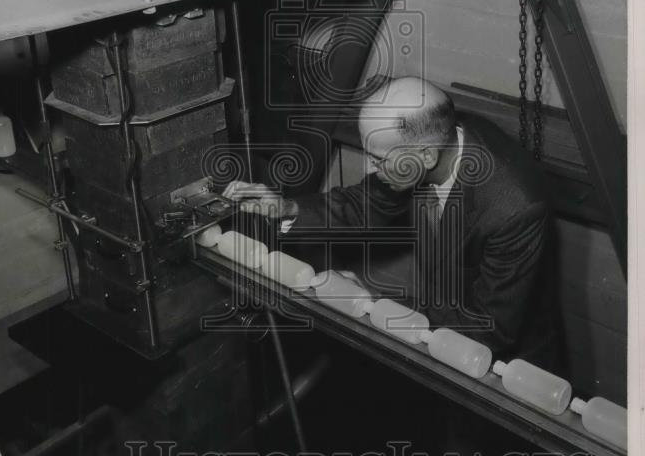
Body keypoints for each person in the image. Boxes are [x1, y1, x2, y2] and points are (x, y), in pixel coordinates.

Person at [224, 76, 561, 368]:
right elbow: (365, 203)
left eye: (378, 159)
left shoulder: (515, 207)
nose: (371, 170)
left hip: (506, 366)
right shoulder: (429, 142)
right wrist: (288, 209)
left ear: (427, 156)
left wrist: (370, 300)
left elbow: (488, 328)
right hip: (442, 323)